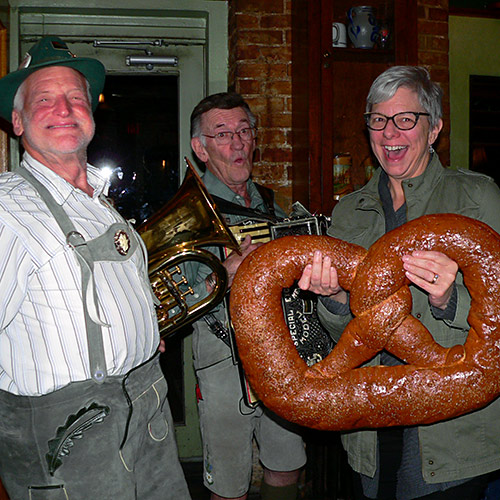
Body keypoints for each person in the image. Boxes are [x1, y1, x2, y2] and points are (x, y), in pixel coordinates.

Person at [0, 36, 191, 499]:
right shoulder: (7, 208)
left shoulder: (101, 207)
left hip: (147, 407)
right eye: (44, 99)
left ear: (91, 112)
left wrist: (139, 328)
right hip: (68, 437)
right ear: (18, 121)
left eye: (75, 97)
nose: (63, 108)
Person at [298, 66, 500, 500]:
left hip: (452, 426)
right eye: (378, 119)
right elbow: (352, 330)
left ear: (435, 129)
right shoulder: (350, 212)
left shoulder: (477, 199)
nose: (391, 132)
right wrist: (333, 300)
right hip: (370, 420)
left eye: (406, 119)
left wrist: (450, 300)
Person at [187, 92, 306, 500]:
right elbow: (169, 304)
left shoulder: (274, 205)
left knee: (287, 464)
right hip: (222, 360)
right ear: (200, 148)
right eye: (223, 134)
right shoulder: (188, 212)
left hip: (279, 353)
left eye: (244, 131)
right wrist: (227, 273)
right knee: (230, 483)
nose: (238, 142)